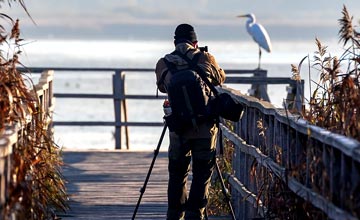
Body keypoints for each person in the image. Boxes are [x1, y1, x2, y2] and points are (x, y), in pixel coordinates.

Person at [155, 23, 226, 220]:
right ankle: (196, 215)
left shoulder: (164, 63)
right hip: (204, 128)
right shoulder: (205, 58)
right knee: (202, 175)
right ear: (195, 42)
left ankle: (174, 215)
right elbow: (220, 78)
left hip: (178, 129)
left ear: (175, 42)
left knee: (177, 174)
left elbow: (162, 87)